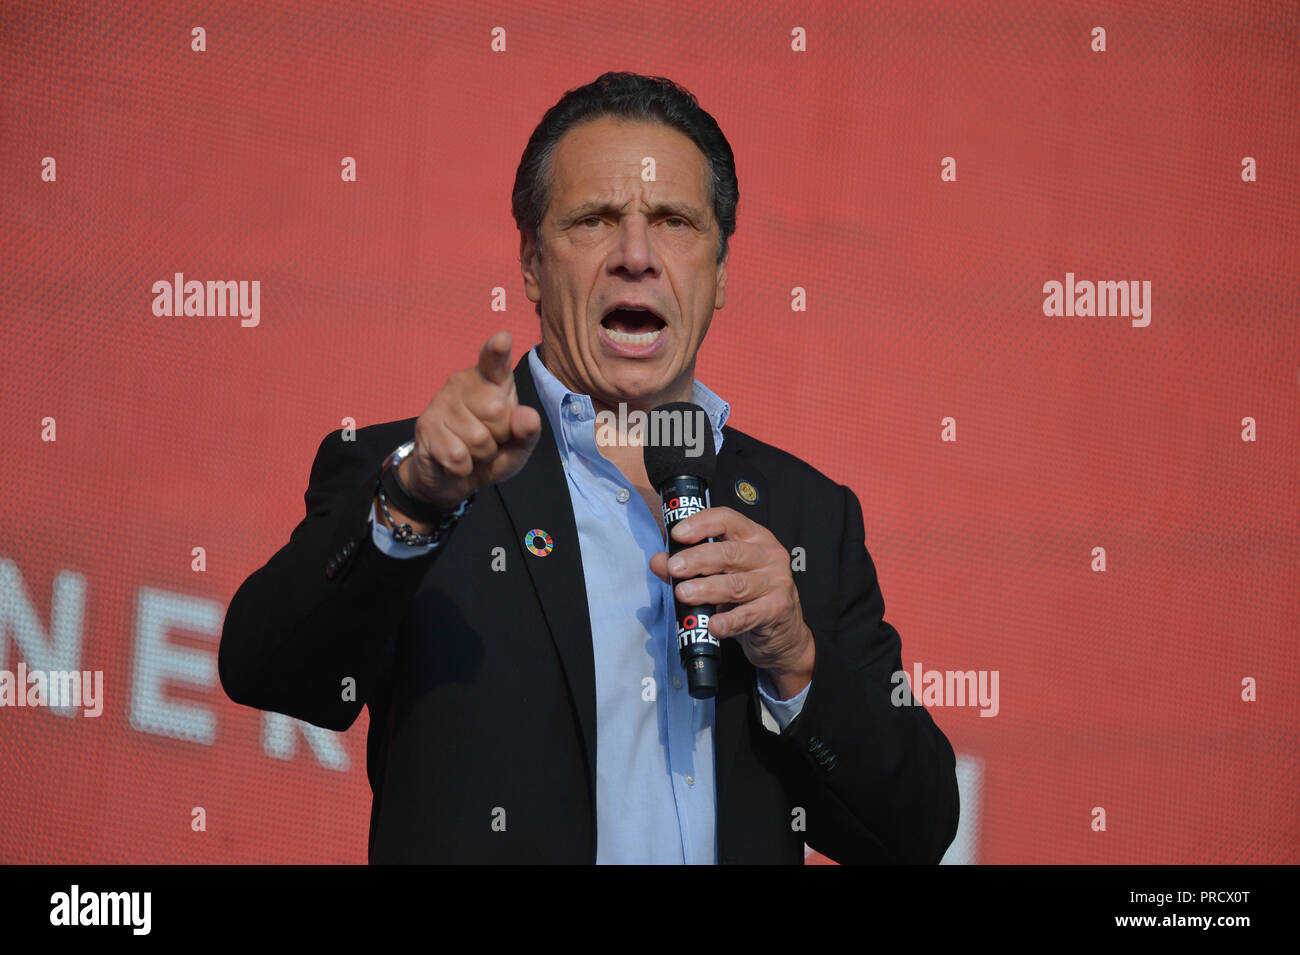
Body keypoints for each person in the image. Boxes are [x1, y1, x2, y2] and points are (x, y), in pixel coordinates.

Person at [219, 72, 959, 864]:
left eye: (673, 221)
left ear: (721, 271)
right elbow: (271, 669)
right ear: (533, 264)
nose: (634, 256)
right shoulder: (421, 477)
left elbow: (914, 827)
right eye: (593, 221)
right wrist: (415, 501)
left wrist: (795, 659)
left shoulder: (807, 516)